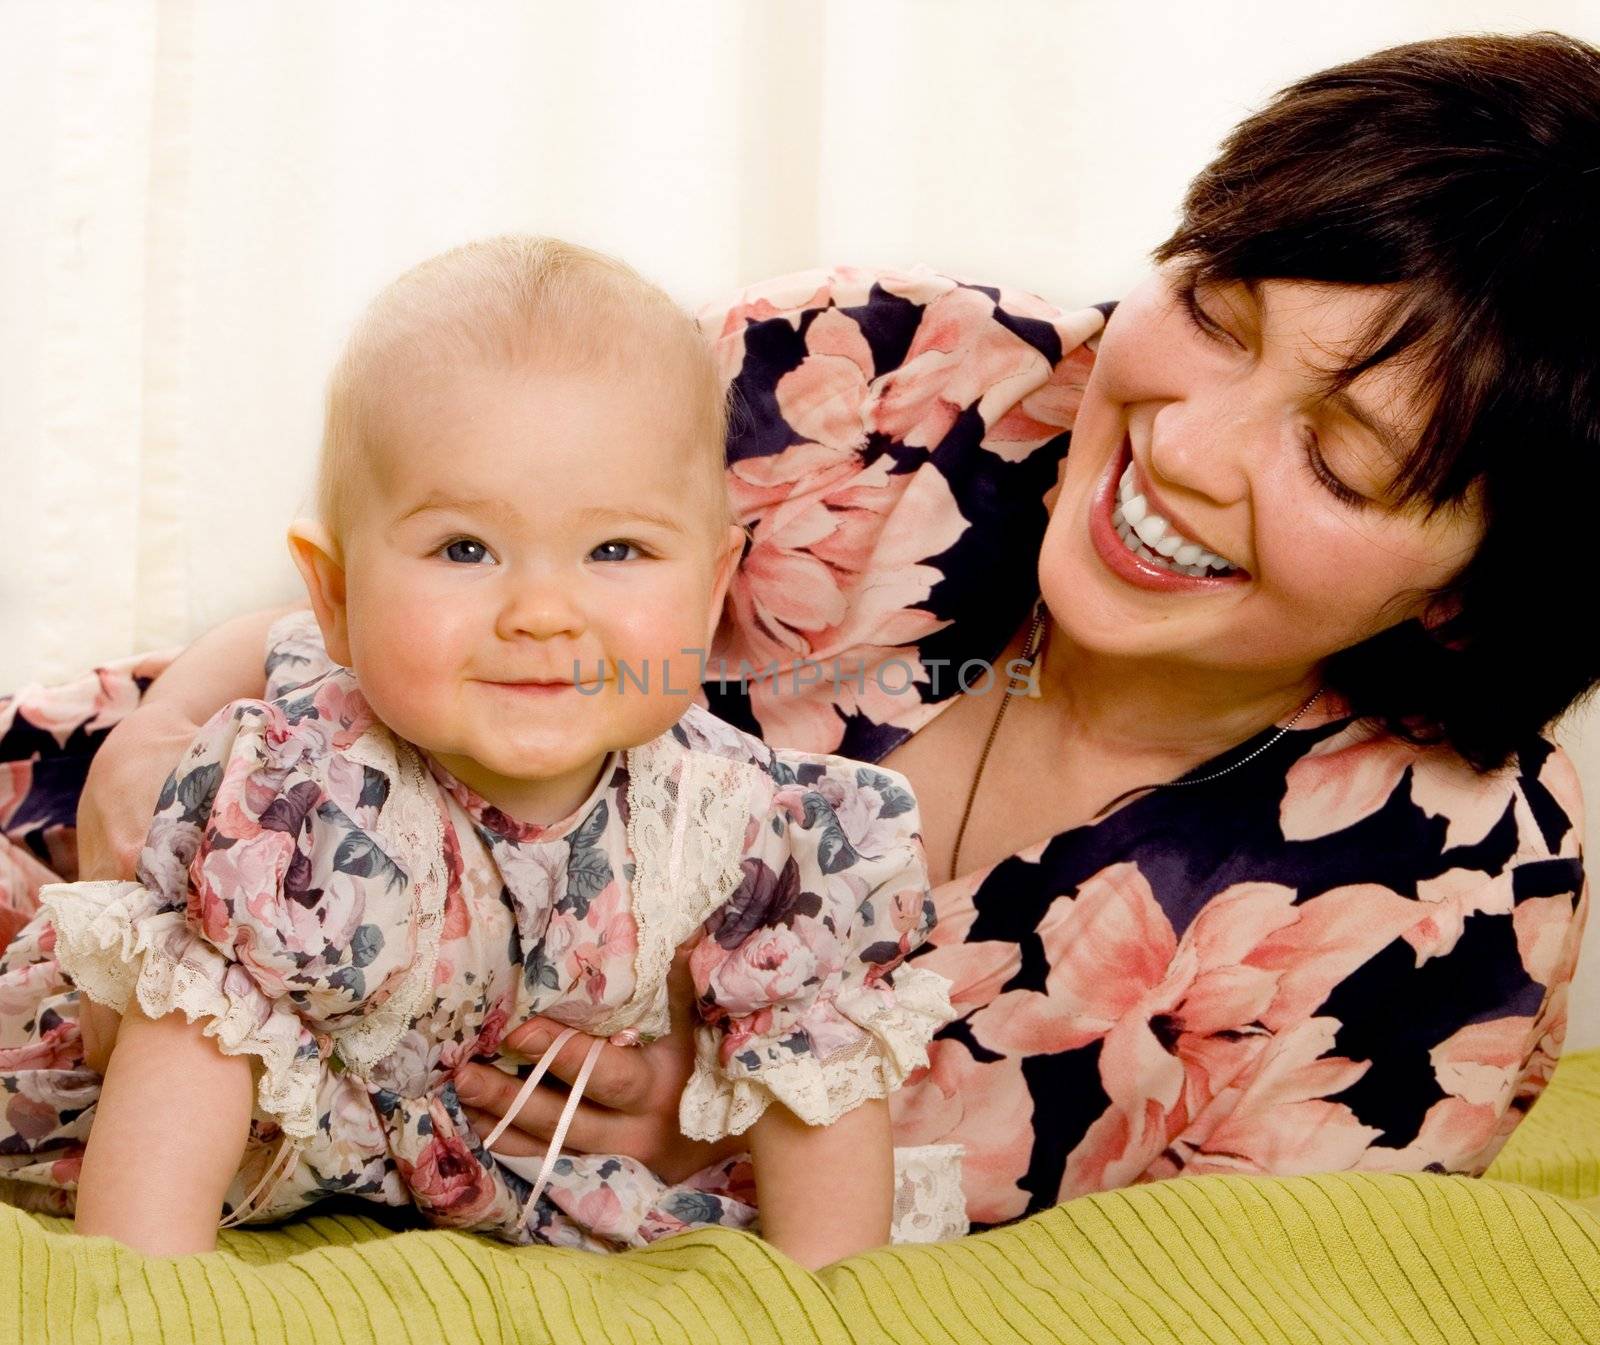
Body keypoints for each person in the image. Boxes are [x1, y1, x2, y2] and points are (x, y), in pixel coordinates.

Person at [5, 31, 1595, 1235]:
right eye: (1219, 316)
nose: (1187, 445)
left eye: (1335, 458)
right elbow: (410, 581)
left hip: (423, 1165)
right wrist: (153, 751)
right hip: (146, 883)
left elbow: (1182, 1263)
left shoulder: (1438, 921)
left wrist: (709, 1130)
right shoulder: (884, 380)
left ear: (1471, 582)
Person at [0, 236, 961, 1267]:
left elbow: (815, 1083)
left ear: (712, 583)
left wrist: (828, 1300)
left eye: (617, 550)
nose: (543, 612)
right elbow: (181, 1060)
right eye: (466, 549)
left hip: (507, 1167)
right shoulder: (298, 794)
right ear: (334, 593)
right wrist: (143, 1287)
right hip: (229, 1137)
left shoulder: (755, 823)